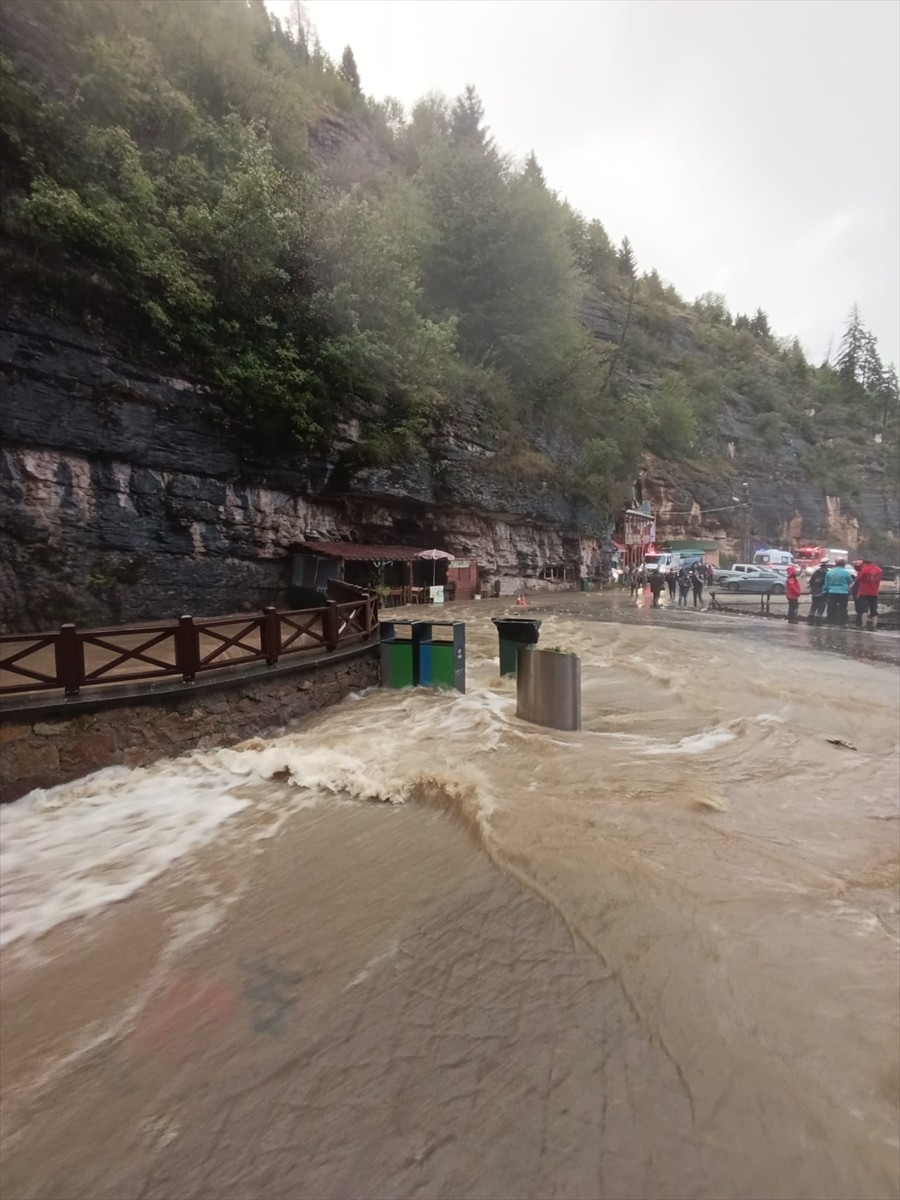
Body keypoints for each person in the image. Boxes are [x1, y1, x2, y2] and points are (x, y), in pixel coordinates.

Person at [854, 556, 883, 630]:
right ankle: (874, 626)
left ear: (865, 563)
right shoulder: (878, 570)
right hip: (874, 592)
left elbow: (858, 579)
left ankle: (864, 625)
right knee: (874, 610)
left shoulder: (864, 569)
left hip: (864, 592)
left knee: (864, 609)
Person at [824, 558, 853, 626]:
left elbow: (826, 584)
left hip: (832, 592)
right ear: (844, 564)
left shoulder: (830, 572)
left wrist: (827, 590)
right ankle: (842, 622)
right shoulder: (846, 573)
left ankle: (830, 622)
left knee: (831, 607)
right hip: (843, 592)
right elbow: (850, 582)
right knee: (843, 608)